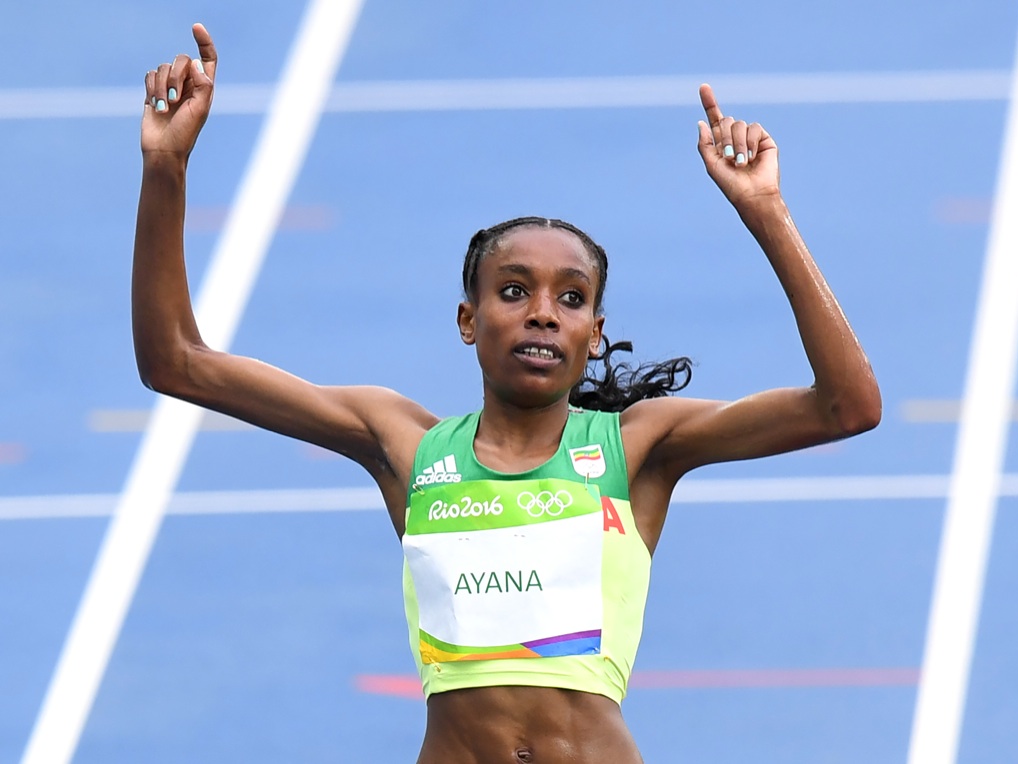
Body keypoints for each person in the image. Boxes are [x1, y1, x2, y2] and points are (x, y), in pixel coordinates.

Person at [135, 23, 881, 764]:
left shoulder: (635, 449)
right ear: (469, 319)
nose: (543, 312)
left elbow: (848, 405)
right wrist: (166, 167)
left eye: (572, 297)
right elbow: (177, 362)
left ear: (594, 334)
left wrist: (766, 212)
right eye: (515, 290)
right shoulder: (406, 446)